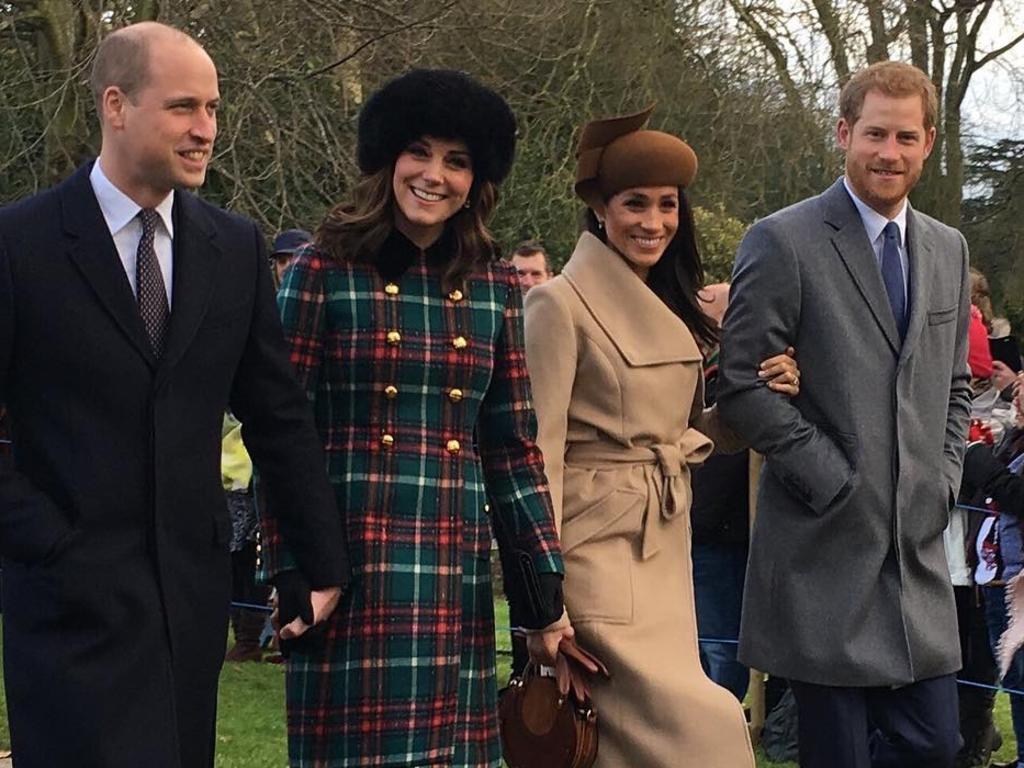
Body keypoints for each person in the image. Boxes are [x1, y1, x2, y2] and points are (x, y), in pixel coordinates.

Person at [0, 22, 348, 767]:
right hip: (66, 611)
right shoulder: (19, 245)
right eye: (185, 107)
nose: (205, 130)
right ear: (116, 105)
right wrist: (48, 543)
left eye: (214, 109)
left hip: (189, 608)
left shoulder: (235, 249)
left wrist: (318, 563)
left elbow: (277, 414)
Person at [263, 69, 567, 767]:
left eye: (456, 161)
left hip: (451, 578)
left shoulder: (493, 284)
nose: (435, 175)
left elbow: (513, 448)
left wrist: (543, 595)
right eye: (420, 153)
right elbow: (283, 432)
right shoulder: (321, 270)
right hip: (347, 572)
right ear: (388, 160)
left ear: (477, 179)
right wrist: (294, 567)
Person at [524, 105, 801, 768]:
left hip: (664, 551)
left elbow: (691, 436)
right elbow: (539, 456)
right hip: (592, 562)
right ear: (599, 208)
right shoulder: (556, 304)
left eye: (668, 205)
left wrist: (760, 393)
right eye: (635, 203)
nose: (653, 222)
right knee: (707, 735)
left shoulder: (668, 307)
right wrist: (543, 597)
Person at [718, 60, 972, 768]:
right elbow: (742, 384)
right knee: (837, 756)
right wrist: (832, 477)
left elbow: (954, 385)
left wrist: (942, 479)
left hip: (914, 562)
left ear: (927, 144)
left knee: (936, 745)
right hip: (820, 555)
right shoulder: (783, 240)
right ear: (843, 133)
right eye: (874, 134)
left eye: (906, 137)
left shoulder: (947, 248)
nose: (889, 152)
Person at [691, 282, 752, 702]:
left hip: (720, 532)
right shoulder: (693, 374)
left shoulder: (735, 377)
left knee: (720, 642)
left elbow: (725, 456)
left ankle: (722, 722)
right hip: (694, 529)